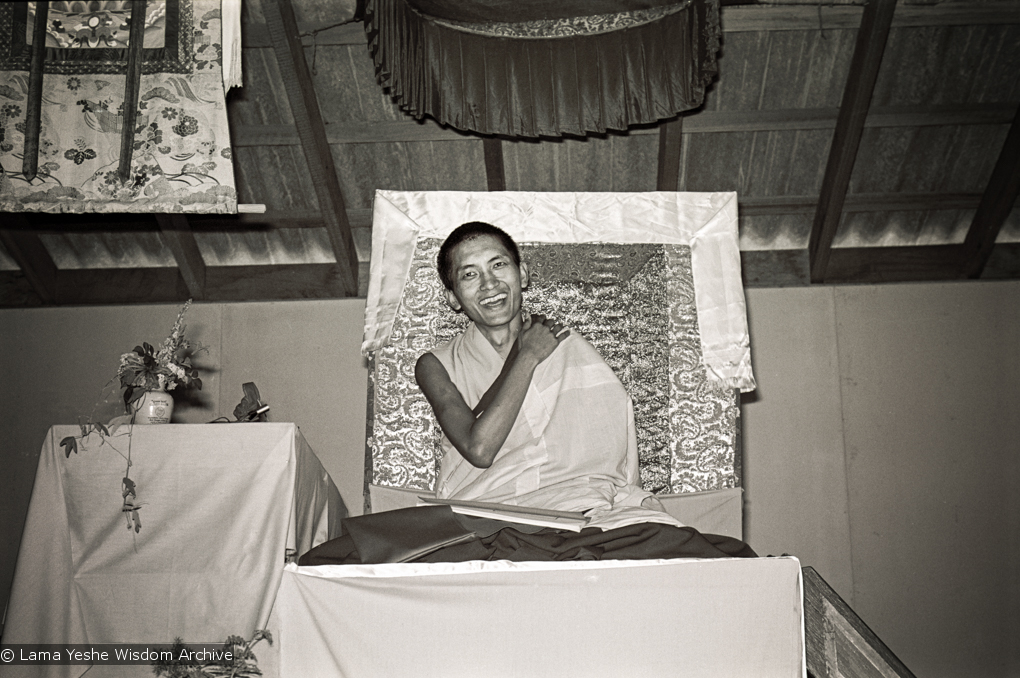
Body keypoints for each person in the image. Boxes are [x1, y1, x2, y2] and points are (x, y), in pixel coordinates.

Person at [415, 222, 673, 525]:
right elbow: (479, 450)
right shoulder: (436, 364)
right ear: (454, 298)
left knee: (668, 536)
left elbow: (602, 454)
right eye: (470, 274)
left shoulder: (566, 346)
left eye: (498, 265)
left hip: (573, 503)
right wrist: (528, 356)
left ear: (522, 274)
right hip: (480, 510)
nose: (489, 283)